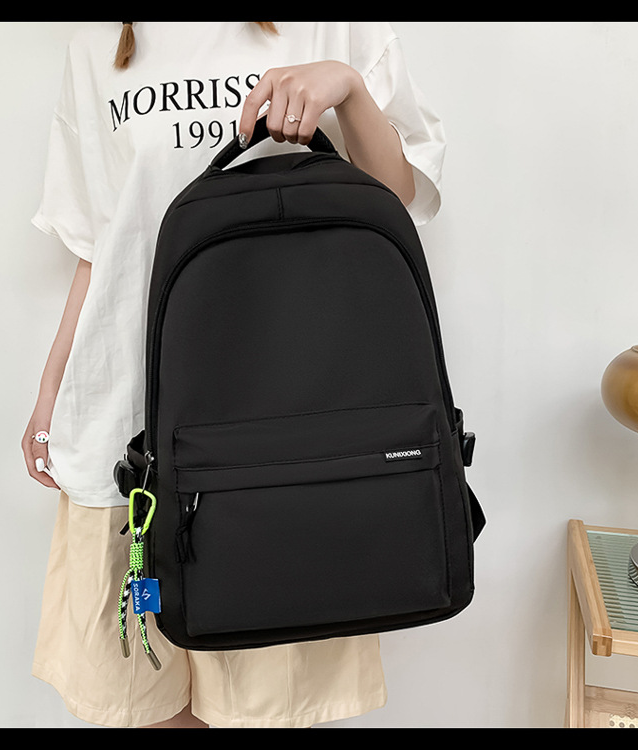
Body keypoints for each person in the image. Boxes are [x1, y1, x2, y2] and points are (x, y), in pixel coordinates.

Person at [23, 21, 446, 729]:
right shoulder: (98, 49)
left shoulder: (330, 28)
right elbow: (103, 243)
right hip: (125, 425)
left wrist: (348, 89)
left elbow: (392, 201)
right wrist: (52, 393)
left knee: (261, 709)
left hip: (276, 431)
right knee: (144, 707)